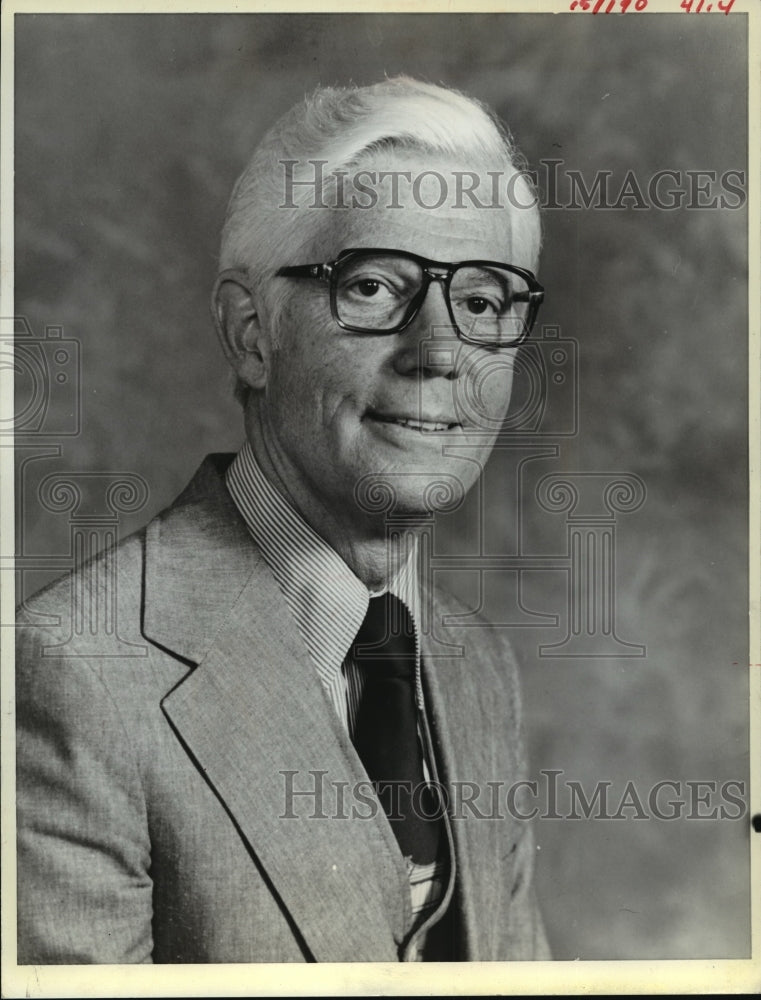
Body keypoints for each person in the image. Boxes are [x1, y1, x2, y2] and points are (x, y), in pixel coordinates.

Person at [16, 76, 550, 964]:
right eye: (376, 288)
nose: (441, 352)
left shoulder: (476, 666)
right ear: (251, 333)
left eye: (485, 301)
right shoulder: (74, 673)